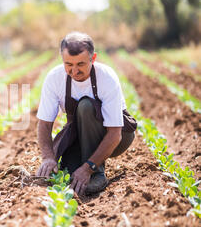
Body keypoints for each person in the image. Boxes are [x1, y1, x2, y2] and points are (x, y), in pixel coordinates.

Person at [35, 32, 137, 195]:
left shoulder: (106, 78)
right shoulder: (55, 78)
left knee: (85, 106)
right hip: (79, 134)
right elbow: (45, 124)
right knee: (68, 173)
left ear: (93, 58)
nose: (74, 71)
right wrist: (48, 156)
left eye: (80, 64)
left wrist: (88, 169)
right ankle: (82, 164)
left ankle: (97, 173)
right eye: (68, 64)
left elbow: (115, 134)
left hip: (118, 137)